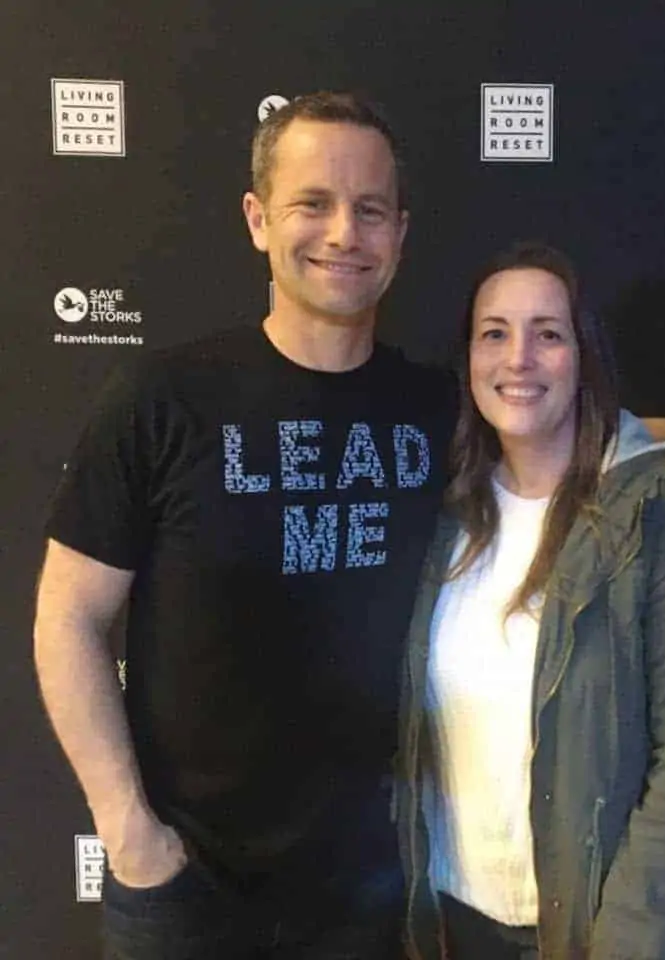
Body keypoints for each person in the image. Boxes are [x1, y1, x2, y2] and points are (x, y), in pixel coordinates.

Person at [33, 92, 458, 960]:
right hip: (188, 892)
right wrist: (130, 835)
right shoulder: (164, 401)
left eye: (369, 209)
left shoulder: (437, 409)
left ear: (400, 234)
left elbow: (571, 443)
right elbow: (67, 619)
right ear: (258, 219)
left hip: (373, 893)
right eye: (314, 203)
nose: (344, 232)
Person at [396, 241, 665, 960]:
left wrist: (628, 940)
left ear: (584, 359)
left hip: (593, 933)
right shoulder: (440, 521)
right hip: (456, 923)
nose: (517, 358)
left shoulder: (649, 513)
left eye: (547, 333)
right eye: (495, 333)